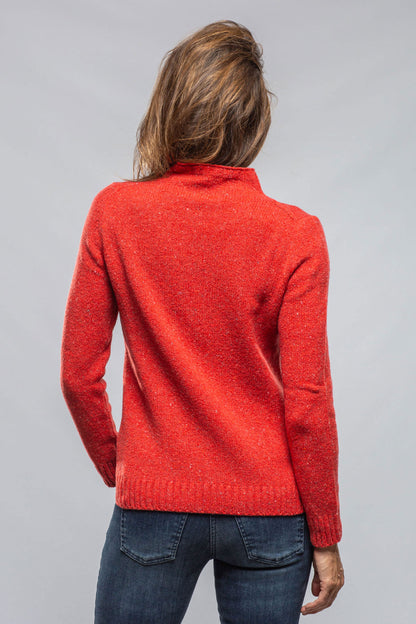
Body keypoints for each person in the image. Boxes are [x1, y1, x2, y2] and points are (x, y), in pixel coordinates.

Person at [60, 19, 344, 624]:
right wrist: (325, 531)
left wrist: (123, 465)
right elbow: (309, 400)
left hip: (155, 501)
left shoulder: (116, 213)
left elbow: (78, 375)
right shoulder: (295, 234)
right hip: (270, 509)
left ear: (171, 105)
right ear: (253, 122)